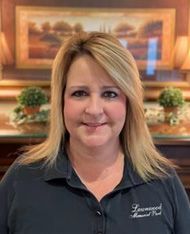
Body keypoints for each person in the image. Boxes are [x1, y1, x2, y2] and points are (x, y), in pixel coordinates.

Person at [0, 32, 189, 234]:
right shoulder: (22, 178)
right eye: (79, 93)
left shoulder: (162, 179)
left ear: (129, 102)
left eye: (110, 94)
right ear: (61, 102)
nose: (94, 110)